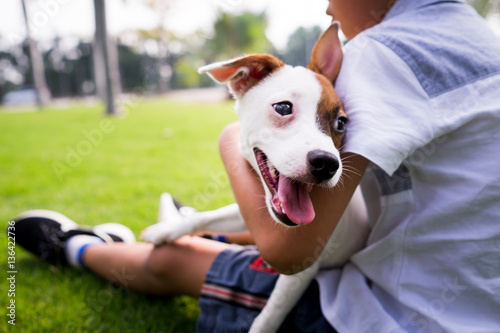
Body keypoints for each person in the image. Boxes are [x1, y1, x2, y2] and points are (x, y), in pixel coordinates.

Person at [11, 0, 500, 331]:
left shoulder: (385, 52)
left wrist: (232, 139)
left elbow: (290, 251)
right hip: (472, 303)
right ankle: (194, 227)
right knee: (254, 216)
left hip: (396, 314)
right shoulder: (480, 41)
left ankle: (77, 246)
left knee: (167, 260)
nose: (328, 8)